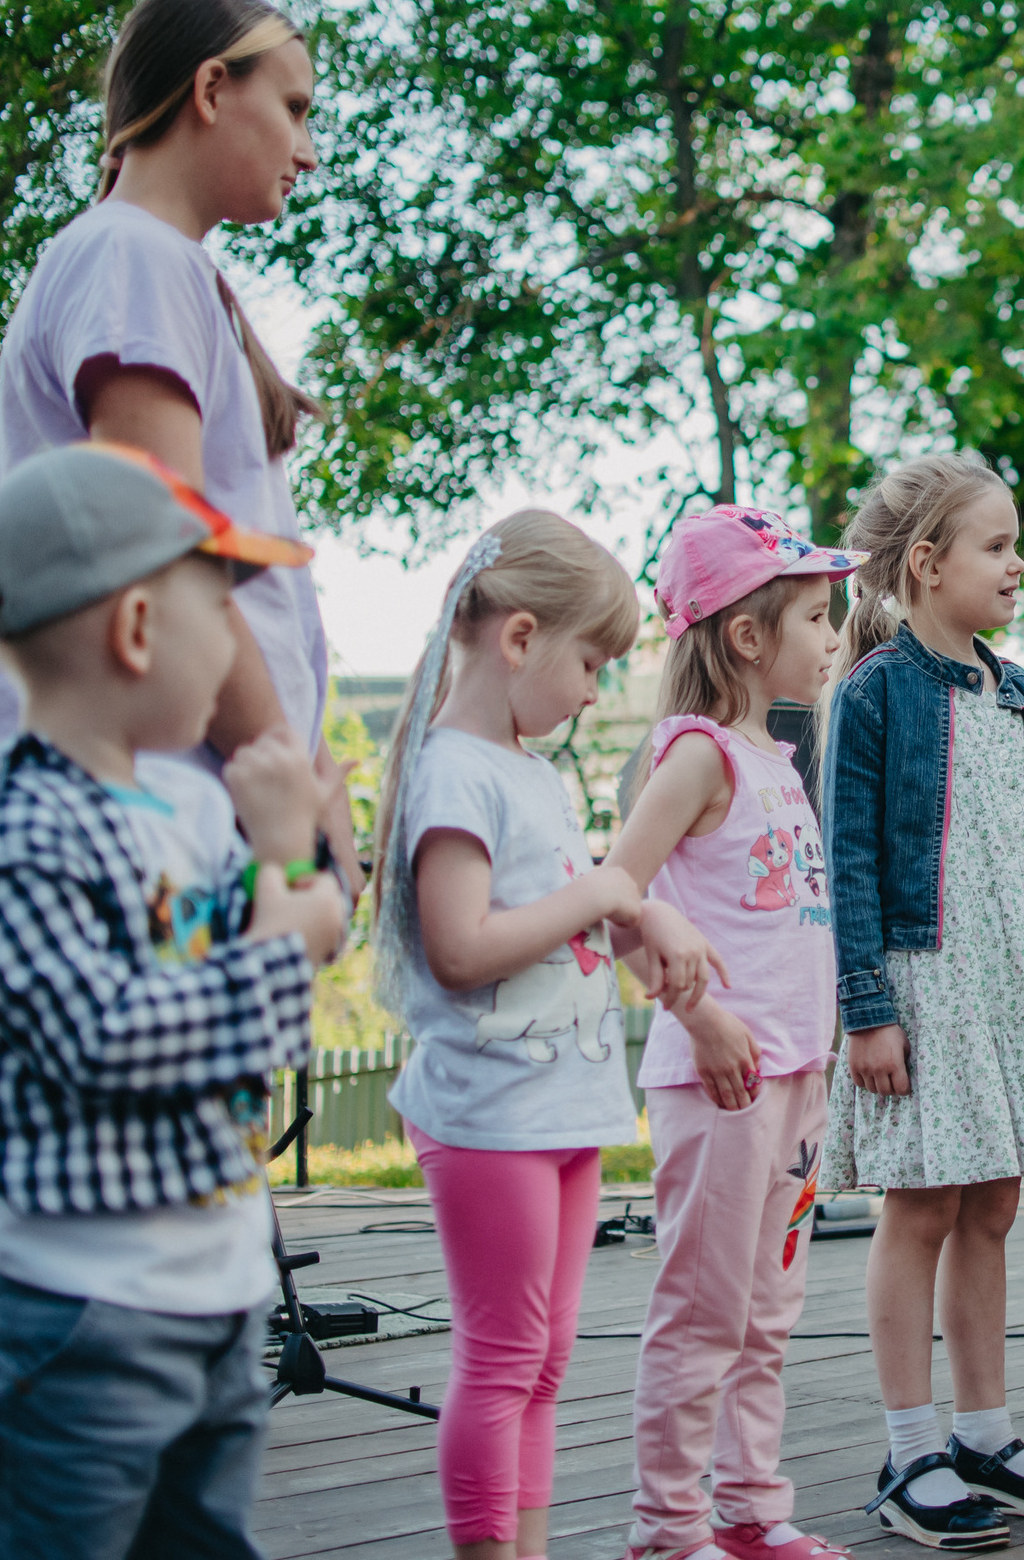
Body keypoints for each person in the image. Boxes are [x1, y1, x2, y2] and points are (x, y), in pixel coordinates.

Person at [0, 444, 348, 1560]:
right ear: (138, 630)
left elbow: (270, 987)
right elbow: (114, 1038)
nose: (236, 651)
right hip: (79, 1312)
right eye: (225, 616)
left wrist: (286, 861)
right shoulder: (12, 832)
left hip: (211, 1291)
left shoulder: (181, 810)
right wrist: (284, 903)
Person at [369, 511, 719, 1560]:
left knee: (546, 1355)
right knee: (502, 1353)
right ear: (518, 638)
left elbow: (569, 910)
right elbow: (463, 948)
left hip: (557, 1108)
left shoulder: (527, 769)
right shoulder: (455, 772)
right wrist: (612, 888)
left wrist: (639, 916)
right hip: (488, 1113)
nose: (595, 690)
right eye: (592, 662)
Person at [0, 0, 356, 892]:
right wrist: (294, 788)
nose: (307, 150)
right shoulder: (132, 255)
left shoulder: (153, 266)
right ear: (213, 89)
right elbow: (167, 558)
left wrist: (315, 771)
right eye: (294, 108)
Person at [820, 452, 1024, 1550]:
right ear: (925, 562)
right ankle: (911, 1449)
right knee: (923, 1204)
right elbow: (849, 858)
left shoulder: (1020, 691)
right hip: (922, 983)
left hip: (1009, 985)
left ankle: (984, 1433)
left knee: (993, 1203)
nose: (1015, 563)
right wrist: (866, 1007)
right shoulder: (872, 692)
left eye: (1014, 544)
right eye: (995, 546)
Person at [607, 507, 866, 1560]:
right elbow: (612, 896)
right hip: (720, 1086)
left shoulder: (776, 756)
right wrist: (700, 1014)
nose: (832, 634)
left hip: (796, 1081)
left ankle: (751, 1509)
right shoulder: (698, 756)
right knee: (704, 1311)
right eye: (815, 614)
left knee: (767, 1312)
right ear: (749, 636)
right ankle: (667, 1530)